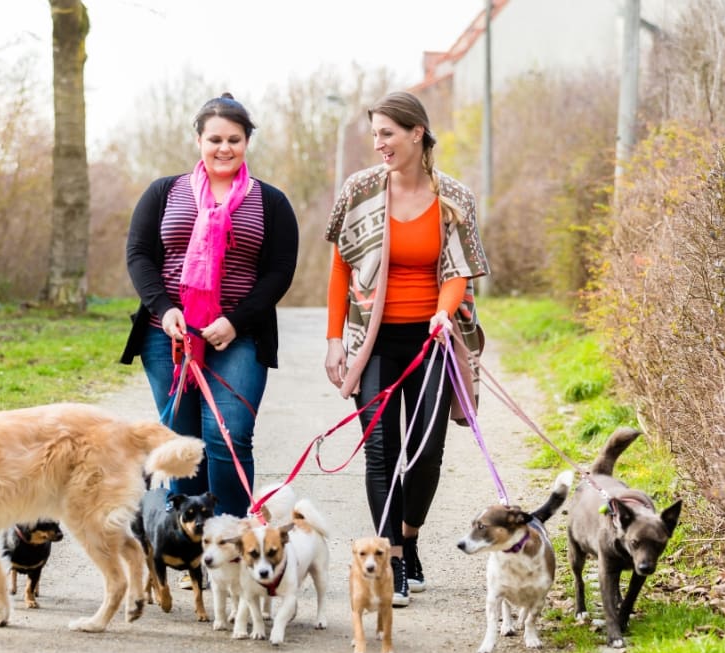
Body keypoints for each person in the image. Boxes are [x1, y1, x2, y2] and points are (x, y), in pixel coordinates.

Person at [323, 91, 488, 607]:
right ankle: (391, 555)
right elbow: (341, 268)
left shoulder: (454, 198)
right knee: (380, 450)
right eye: (375, 135)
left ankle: (411, 537)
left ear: (417, 133)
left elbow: (459, 270)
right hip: (371, 340)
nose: (379, 145)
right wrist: (334, 340)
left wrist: (444, 311)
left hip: (432, 338)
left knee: (424, 452)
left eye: (387, 134)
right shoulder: (360, 190)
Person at [121, 93, 299, 525]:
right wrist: (164, 310)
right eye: (215, 138)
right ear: (199, 140)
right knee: (180, 443)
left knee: (229, 436)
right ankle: (187, 540)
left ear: (246, 142)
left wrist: (235, 322)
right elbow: (139, 254)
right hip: (169, 335)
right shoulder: (165, 191)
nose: (224, 148)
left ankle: (233, 537)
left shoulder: (270, 202)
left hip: (239, 333)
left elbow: (278, 272)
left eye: (234, 139)